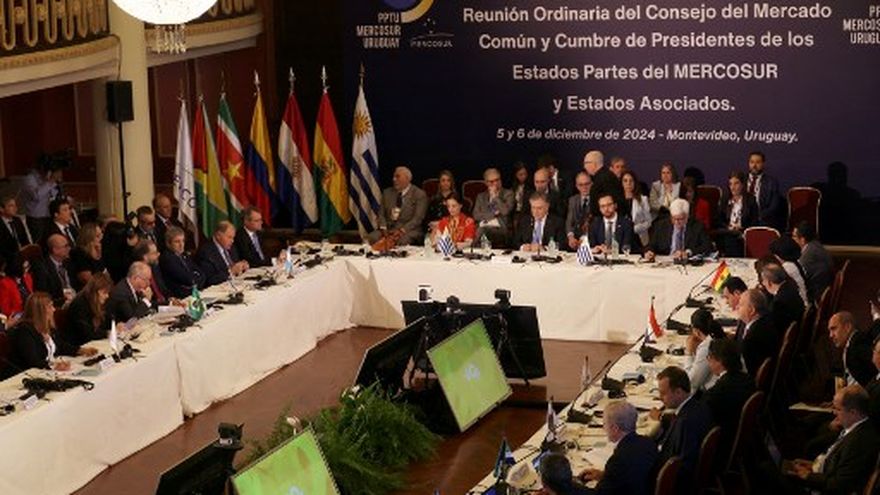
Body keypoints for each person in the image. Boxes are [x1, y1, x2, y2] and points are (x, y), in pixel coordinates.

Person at [775, 385, 879, 495]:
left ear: (853, 412)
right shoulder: (856, 427)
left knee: (772, 475)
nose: (834, 412)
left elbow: (839, 485)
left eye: (838, 409)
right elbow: (836, 467)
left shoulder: (858, 442)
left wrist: (808, 476)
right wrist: (813, 465)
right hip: (821, 474)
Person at [1, 292, 98, 379]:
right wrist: (54, 365)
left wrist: (80, 350)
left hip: (48, 374)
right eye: (50, 306)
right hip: (27, 377)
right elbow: (33, 361)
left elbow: (61, 345)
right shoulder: (24, 331)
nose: (54, 309)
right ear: (40, 311)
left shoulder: (47, 327)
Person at [651, 366, 713, 493]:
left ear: (679, 392)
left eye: (663, 393)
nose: (660, 397)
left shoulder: (685, 423)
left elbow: (682, 466)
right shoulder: (698, 406)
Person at [577, 400, 658, 495]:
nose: (603, 428)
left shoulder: (618, 461)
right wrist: (604, 476)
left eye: (605, 424)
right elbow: (627, 476)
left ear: (615, 428)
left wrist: (571, 484)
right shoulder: (648, 442)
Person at [702, 338, 755, 454]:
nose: (708, 361)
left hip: (723, 443)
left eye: (709, 358)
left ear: (720, 362)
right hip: (744, 438)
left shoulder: (717, 393)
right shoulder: (748, 379)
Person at [369, 166, 428, 246]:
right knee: (372, 237)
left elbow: (417, 219)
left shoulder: (419, 194)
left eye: (397, 177)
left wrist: (402, 230)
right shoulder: (387, 193)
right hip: (388, 229)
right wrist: (383, 227)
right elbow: (381, 214)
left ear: (407, 179)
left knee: (401, 241)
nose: (394, 179)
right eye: (394, 177)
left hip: (409, 230)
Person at [644, 199, 713, 261]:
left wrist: (688, 252)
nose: (676, 222)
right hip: (666, 262)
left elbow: (708, 246)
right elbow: (651, 245)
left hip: (687, 264)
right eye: (674, 218)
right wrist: (649, 251)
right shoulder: (661, 226)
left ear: (687, 216)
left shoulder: (697, 226)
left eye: (680, 219)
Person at [715, 171, 759, 256]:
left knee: (733, 240)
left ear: (742, 185)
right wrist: (728, 227)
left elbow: (754, 222)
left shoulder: (750, 200)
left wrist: (741, 228)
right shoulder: (725, 199)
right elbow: (718, 220)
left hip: (742, 233)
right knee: (728, 238)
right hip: (727, 232)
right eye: (730, 184)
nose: (733, 187)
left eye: (736, 183)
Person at [737, 288, 779, 377]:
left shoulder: (751, 338)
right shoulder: (766, 319)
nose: (737, 307)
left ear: (752, 310)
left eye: (740, 305)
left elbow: (745, 368)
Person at [64, 272, 113, 347]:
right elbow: (87, 334)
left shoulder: (98, 302)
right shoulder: (80, 305)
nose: (107, 296)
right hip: (79, 346)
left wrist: (115, 327)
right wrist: (107, 333)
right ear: (96, 291)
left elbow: (107, 322)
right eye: (104, 293)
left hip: (94, 343)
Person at [828, 311, 876, 387]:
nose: (831, 335)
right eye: (829, 331)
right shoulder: (850, 345)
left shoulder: (859, 342)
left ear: (847, 327)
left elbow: (874, 376)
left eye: (834, 329)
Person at [685, 308, 726, 392]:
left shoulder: (707, 347)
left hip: (714, 391)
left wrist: (689, 353)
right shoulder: (719, 335)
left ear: (697, 331)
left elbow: (691, 382)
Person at [792, 221, 834, 303]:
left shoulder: (809, 254)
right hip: (822, 288)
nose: (792, 239)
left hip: (815, 296)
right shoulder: (815, 245)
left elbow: (799, 275)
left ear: (802, 240)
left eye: (794, 236)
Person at [197, 221, 249, 287]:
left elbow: (235, 265)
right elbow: (210, 279)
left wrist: (242, 266)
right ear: (218, 236)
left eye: (233, 238)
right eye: (229, 237)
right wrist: (230, 272)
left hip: (234, 284)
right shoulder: (206, 252)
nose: (232, 241)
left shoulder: (231, 247)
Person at [472, 167, 515, 247]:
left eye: (497, 180)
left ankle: (472, 248)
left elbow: (505, 211)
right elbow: (476, 215)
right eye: (492, 181)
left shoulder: (508, 194)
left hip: (501, 229)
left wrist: (495, 197)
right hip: (483, 225)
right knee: (478, 229)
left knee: (482, 230)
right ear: (486, 182)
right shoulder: (481, 196)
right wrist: (494, 214)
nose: (495, 183)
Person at [20, 161, 62, 243]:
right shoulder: (29, 178)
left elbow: (53, 194)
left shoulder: (46, 178)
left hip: (47, 215)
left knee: (49, 241)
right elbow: (36, 196)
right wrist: (50, 181)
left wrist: (56, 182)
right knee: (39, 242)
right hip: (36, 218)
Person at [746, 151, 786, 231]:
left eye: (758, 162)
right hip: (744, 220)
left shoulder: (771, 182)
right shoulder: (741, 181)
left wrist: (757, 217)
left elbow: (774, 206)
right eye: (752, 162)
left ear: (763, 164)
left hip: (763, 220)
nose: (754, 165)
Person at [160, 226, 204, 298]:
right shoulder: (167, 258)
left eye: (183, 241)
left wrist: (196, 280)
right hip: (181, 297)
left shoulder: (184, 255)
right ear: (168, 243)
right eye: (177, 242)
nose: (181, 245)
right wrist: (196, 278)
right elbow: (188, 279)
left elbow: (202, 274)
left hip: (193, 293)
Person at [30, 233, 74, 306]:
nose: (69, 248)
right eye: (66, 246)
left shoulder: (69, 263)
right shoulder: (43, 269)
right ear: (55, 250)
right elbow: (44, 297)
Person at [761, 263, 805, 334]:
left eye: (763, 280)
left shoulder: (778, 303)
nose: (763, 283)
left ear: (769, 282)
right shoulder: (791, 287)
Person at [768, 237, 810, 308]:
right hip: (804, 299)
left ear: (779, 255)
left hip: (799, 305)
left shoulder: (787, 268)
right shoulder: (797, 262)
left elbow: (776, 288)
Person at [132, 239, 174, 307]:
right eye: (154, 253)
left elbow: (163, 289)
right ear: (145, 257)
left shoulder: (155, 268)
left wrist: (171, 298)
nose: (158, 254)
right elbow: (146, 302)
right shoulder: (137, 274)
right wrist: (168, 303)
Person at [583, 150, 624, 217]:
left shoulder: (604, 178)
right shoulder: (604, 176)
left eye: (586, 163)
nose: (584, 167)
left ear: (594, 164)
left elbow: (612, 203)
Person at [69, 223, 105, 290]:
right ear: (89, 238)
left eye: (101, 234)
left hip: (101, 287)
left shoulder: (101, 249)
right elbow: (86, 279)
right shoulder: (79, 253)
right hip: (87, 290)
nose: (102, 238)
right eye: (98, 236)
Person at [621, 171, 652, 249]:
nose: (628, 183)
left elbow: (648, 222)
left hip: (640, 238)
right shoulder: (618, 201)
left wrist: (634, 229)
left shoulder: (643, 199)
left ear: (635, 183)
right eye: (625, 181)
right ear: (621, 183)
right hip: (622, 238)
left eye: (631, 181)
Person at [565, 172, 593, 250]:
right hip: (575, 240)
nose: (584, 187)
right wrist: (571, 237)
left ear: (591, 184)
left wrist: (584, 238)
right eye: (581, 185)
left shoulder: (597, 199)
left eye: (587, 184)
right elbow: (569, 221)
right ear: (576, 186)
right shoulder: (573, 200)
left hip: (591, 240)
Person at [0, 196, 32, 261]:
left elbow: (25, 241)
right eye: (11, 206)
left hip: (22, 256)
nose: (15, 208)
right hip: (6, 259)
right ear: (1, 209)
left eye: (15, 205)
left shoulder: (17, 220)